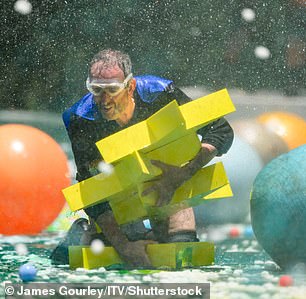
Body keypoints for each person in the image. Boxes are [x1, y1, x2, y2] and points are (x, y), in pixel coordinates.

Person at [51, 49, 234, 268]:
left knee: (182, 253)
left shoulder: (159, 93)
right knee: (113, 252)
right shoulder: (80, 117)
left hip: (165, 185)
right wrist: (124, 246)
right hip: (120, 196)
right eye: (96, 90)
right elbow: (88, 189)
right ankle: (82, 235)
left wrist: (182, 174)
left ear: (131, 87)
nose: (105, 100)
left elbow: (221, 130)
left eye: (112, 90)